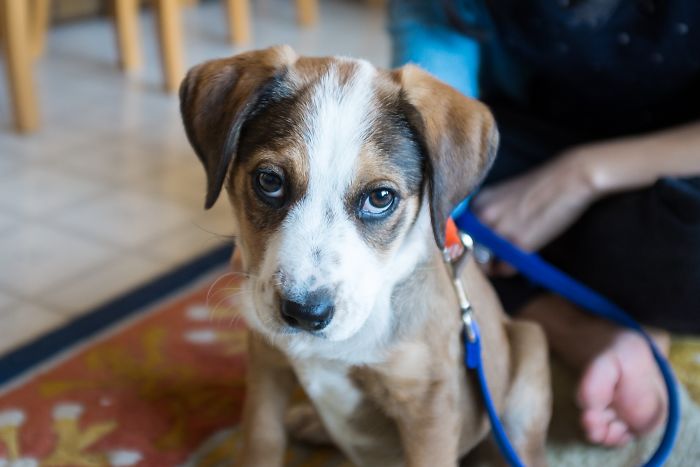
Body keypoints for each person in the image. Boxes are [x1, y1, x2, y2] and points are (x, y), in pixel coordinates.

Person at [389, 0, 700, 447]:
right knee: (408, 201)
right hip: (524, 147)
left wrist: (583, 176)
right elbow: (432, 118)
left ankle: (536, 289)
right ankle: (577, 326)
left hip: (674, 158)